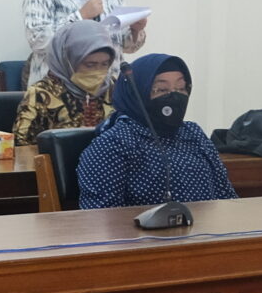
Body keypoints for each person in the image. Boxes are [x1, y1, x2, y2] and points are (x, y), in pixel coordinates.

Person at [75, 52, 237, 208]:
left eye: (181, 88)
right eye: (161, 90)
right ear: (137, 93)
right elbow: (101, 216)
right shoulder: (113, 144)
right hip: (142, 228)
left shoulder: (192, 132)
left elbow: (226, 196)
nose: (174, 96)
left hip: (208, 226)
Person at [14, 18, 121, 143]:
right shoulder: (41, 94)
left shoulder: (115, 89)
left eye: (104, 64)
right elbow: (22, 145)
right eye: (90, 65)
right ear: (67, 61)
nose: (97, 71)